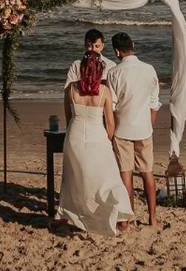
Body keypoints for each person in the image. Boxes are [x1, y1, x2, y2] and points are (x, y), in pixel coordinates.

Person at [55, 51, 133, 235]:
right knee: (108, 178)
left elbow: (69, 118)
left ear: (82, 70)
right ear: (99, 71)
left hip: (74, 136)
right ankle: (120, 219)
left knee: (75, 180)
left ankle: (75, 216)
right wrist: (107, 142)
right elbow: (110, 124)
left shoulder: (71, 89)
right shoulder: (104, 91)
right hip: (97, 136)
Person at [106, 32, 160, 228]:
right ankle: (152, 218)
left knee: (125, 175)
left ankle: (127, 219)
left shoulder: (114, 73)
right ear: (133, 45)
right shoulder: (149, 69)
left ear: (116, 52)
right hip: (144, 129)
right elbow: (155, 104)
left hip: (122, 130)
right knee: (147, 173)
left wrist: (109, 132)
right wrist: (150, 126)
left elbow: (111, 107)